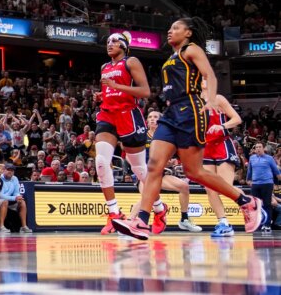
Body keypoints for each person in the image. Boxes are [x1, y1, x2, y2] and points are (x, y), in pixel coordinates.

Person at [113, 18, 265, 240]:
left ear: (188, 33)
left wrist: (211, 100)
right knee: (153, 166)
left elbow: (209, 75)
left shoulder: (191, 49)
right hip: (172, 113)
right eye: (170, 27)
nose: (169, 30)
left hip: (190, 110)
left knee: (194, 172)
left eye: (175, 27)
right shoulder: (173, 56)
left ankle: (247, 202)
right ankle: (141, 221)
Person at [92, 32, 157, 235]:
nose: (109, 44)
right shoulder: (104, 67)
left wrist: (116, 86)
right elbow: (110, 91)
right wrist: (101, 95)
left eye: (114, 41)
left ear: (124, 45)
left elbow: (145, 92)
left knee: (140, 170)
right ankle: (114, 214)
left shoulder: (131, 61)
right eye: (107, 41)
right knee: (101, 161)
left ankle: (159, 208)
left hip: (128, 114)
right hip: (107, 114)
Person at [129, 111, 203, 233]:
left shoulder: (165, 138)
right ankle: (131, 220)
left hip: (159, 173)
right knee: (147, 196)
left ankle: (184, 220)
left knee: (184, 187)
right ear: (146, 121)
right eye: (150, 117)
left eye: (156, 117)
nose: (152, 119)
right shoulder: (142, 136)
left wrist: (171, 161)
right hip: (144, 173)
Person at [198, 86, 244, 236]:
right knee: (209, 188)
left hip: (222, 144)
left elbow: (237, 119)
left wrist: (221, 126)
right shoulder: (193, 102)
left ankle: (252, 203)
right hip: (205, 147)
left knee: (225, 187)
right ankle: (223, 223)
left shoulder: (217, 98)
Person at [247, 141, 281, 233]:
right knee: (255, 205)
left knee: (267, 204)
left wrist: (279, 177)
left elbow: (275, 170)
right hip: (255, 184)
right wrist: (248, 179)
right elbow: (249, 170)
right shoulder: (252, 158)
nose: (258, 149)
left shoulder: (269, 158)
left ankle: (267, 225)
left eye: (260, 147)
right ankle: (257, 225)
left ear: (263, 148)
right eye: (256, 147)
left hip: (267, 184)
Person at [0, 164, 32, 233]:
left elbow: (16, 192)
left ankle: (24, 226)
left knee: (22, 202)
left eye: (12, 170)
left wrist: (18, 197)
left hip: (11, 199)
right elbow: (0, 195)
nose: (10, 172)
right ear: (4, 170)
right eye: (8, 170)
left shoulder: (15, 178)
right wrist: (14, 198)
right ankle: (1, 226)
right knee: (5, 201)